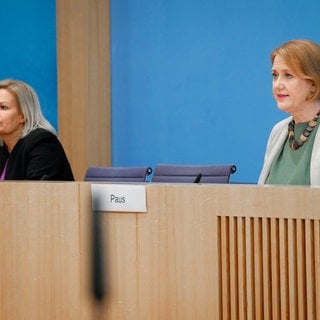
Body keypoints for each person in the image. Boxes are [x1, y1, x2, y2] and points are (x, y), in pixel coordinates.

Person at [258, 39, 320, 186]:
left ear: (313, 83)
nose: (278, 85)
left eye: (288, 75)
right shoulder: (279, 131)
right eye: (275, 75)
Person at [0, 79, 74, 180]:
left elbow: (33, 192)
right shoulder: (3, 147)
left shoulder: (42, 143)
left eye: (3, 107)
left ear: (23, 115)